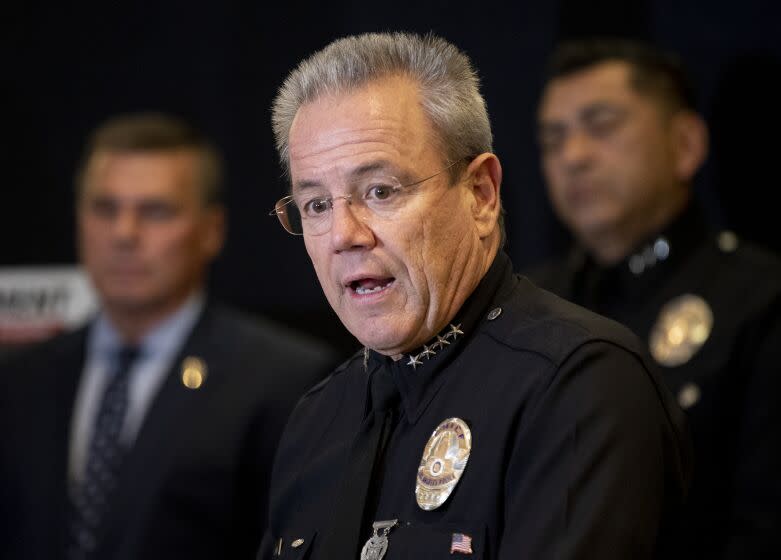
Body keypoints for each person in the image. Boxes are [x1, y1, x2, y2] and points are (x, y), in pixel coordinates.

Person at [261, 31, 691, 559]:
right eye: (316, 205)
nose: (343, 235)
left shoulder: (579, 385)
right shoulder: (316, 417)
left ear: (481, 195)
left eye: (380, 191)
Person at [0, 113, 335, 560]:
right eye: (105, 208)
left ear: (211, 231)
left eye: (155, 211)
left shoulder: (287, 384)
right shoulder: (21, 380)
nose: (124, 234)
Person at [531, 38, 781, 558]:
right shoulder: (526, 306)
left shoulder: (759, 299)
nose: (572, 156)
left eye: (601, 126)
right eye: (553, 140)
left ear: (685, 143)